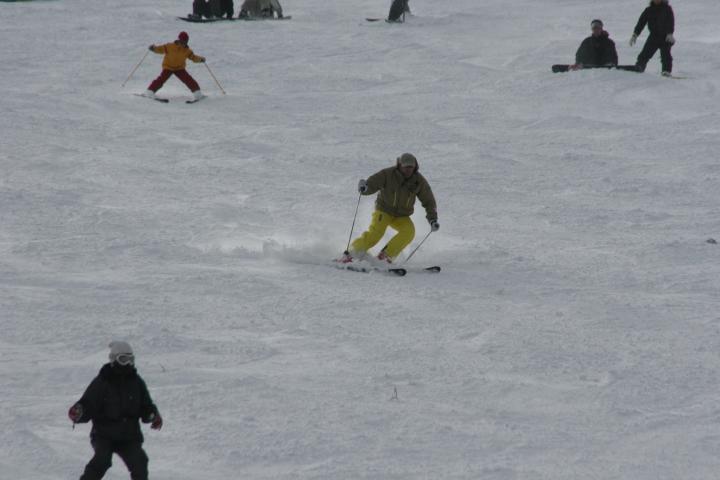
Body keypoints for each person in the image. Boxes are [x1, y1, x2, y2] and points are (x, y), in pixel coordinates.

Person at [69, 341, 163, 480]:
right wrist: (79, 412)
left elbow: (146, 406)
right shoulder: (102, 382)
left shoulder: (136, 382)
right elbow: (88, 404)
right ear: (113, 359)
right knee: (102, 460)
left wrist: (153, 416)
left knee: (139, 462)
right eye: (123, 359)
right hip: (104, 435)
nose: (127, 364)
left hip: (128, 436)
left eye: (130, 359)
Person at [340, 153, 438, 264]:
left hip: (401, 216)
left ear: (415, 167)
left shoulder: (419, 181)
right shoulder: (388, 174)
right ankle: (352, 253)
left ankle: (385, 257)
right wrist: (365, 187)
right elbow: (373, 183)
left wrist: (432, 219)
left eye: (411, 167)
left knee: (409, 231)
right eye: (406, 167)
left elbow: (429, 200)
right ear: (400, 165)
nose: (408, 170)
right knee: (376, 233)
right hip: (384, 211)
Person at [144, 32, 206, 101]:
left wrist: (200, 59)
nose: (183, 43)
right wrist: (154, 48)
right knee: (161, 79)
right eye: (182, 41)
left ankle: (197, 93)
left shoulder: (187, 51)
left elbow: (193, 57)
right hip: (168, 67)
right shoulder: (169, 46)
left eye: (185, 42)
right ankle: (150, 91)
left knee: (188, 79)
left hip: (179, 68)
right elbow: (160, 49)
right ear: (178, 40)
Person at [630, 0, 675, 75]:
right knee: (645, 53)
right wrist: (635, 34)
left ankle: (666, 71)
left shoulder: (667, 9)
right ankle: (640, 66)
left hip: (665, 37)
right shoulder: (648, 10)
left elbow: (670, 22)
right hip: (653, 36)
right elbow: (641, 22)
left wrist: (670, 33)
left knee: (666, 55)